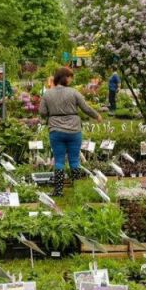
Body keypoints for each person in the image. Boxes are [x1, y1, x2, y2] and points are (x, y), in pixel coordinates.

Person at [39, 67, 102, 196]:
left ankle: (58, 190)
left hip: (56, 130)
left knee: (59, 160)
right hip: (74, 130)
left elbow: (42, 112)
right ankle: (77, 189)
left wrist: (53, 113)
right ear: (66, 78)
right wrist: (97, 116)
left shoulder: (47, 94)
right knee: (74, 160)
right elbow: (85, 108)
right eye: (70, 77)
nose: (71, 79)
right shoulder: (74, 92)